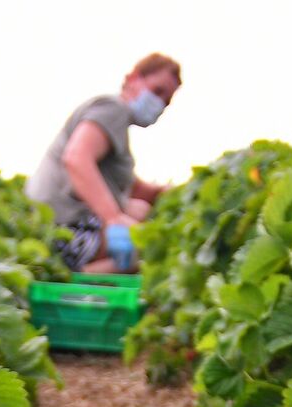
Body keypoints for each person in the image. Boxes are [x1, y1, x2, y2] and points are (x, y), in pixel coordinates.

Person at [26, 53, 181, 274]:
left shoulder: (116, 126)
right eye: (157, 91)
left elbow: (137, 190)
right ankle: (70, 280)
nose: (159, 104)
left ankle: (82, 274)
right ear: (133, 78)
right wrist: (114, 220)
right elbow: (76, 158)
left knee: (138, 209)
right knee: (154, 248)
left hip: (52, 225)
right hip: (63, 231)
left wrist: (170, 192)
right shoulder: (113, 109)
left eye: (166, 101)